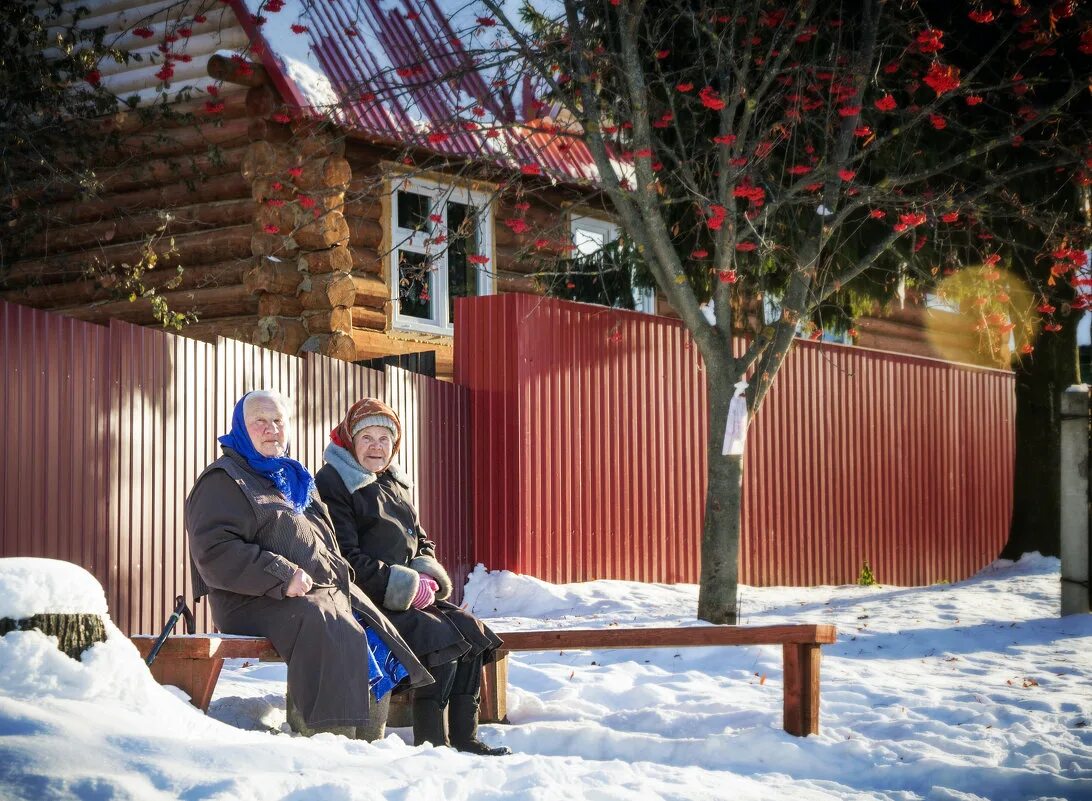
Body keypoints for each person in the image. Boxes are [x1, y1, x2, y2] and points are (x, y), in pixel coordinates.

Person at [185, 389, 433, 739]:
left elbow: (324, 541)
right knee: (326, 622)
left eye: (278, 421)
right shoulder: (225, 480)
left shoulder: (292, 477)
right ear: (241, 427)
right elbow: (214, 551)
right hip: (252, 597)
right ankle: (325, 736)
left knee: (372, 624)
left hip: (312, 591)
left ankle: (367, 738)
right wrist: (281, 575)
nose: (271, 429)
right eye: (260, 422)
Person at [315, 398, 511, 756]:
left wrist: (427, 575)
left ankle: (465, 737)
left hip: (410, 593)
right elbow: (344, 556)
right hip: (367, 598)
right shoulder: (335, 481)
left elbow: (421, 540)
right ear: (350, 440)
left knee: (471, 632)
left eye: (384, 439)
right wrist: (403, 585)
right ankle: (432, 742)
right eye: (367, 438)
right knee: (441, 641)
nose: (376, 447)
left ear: (395, 444)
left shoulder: (393, 480)